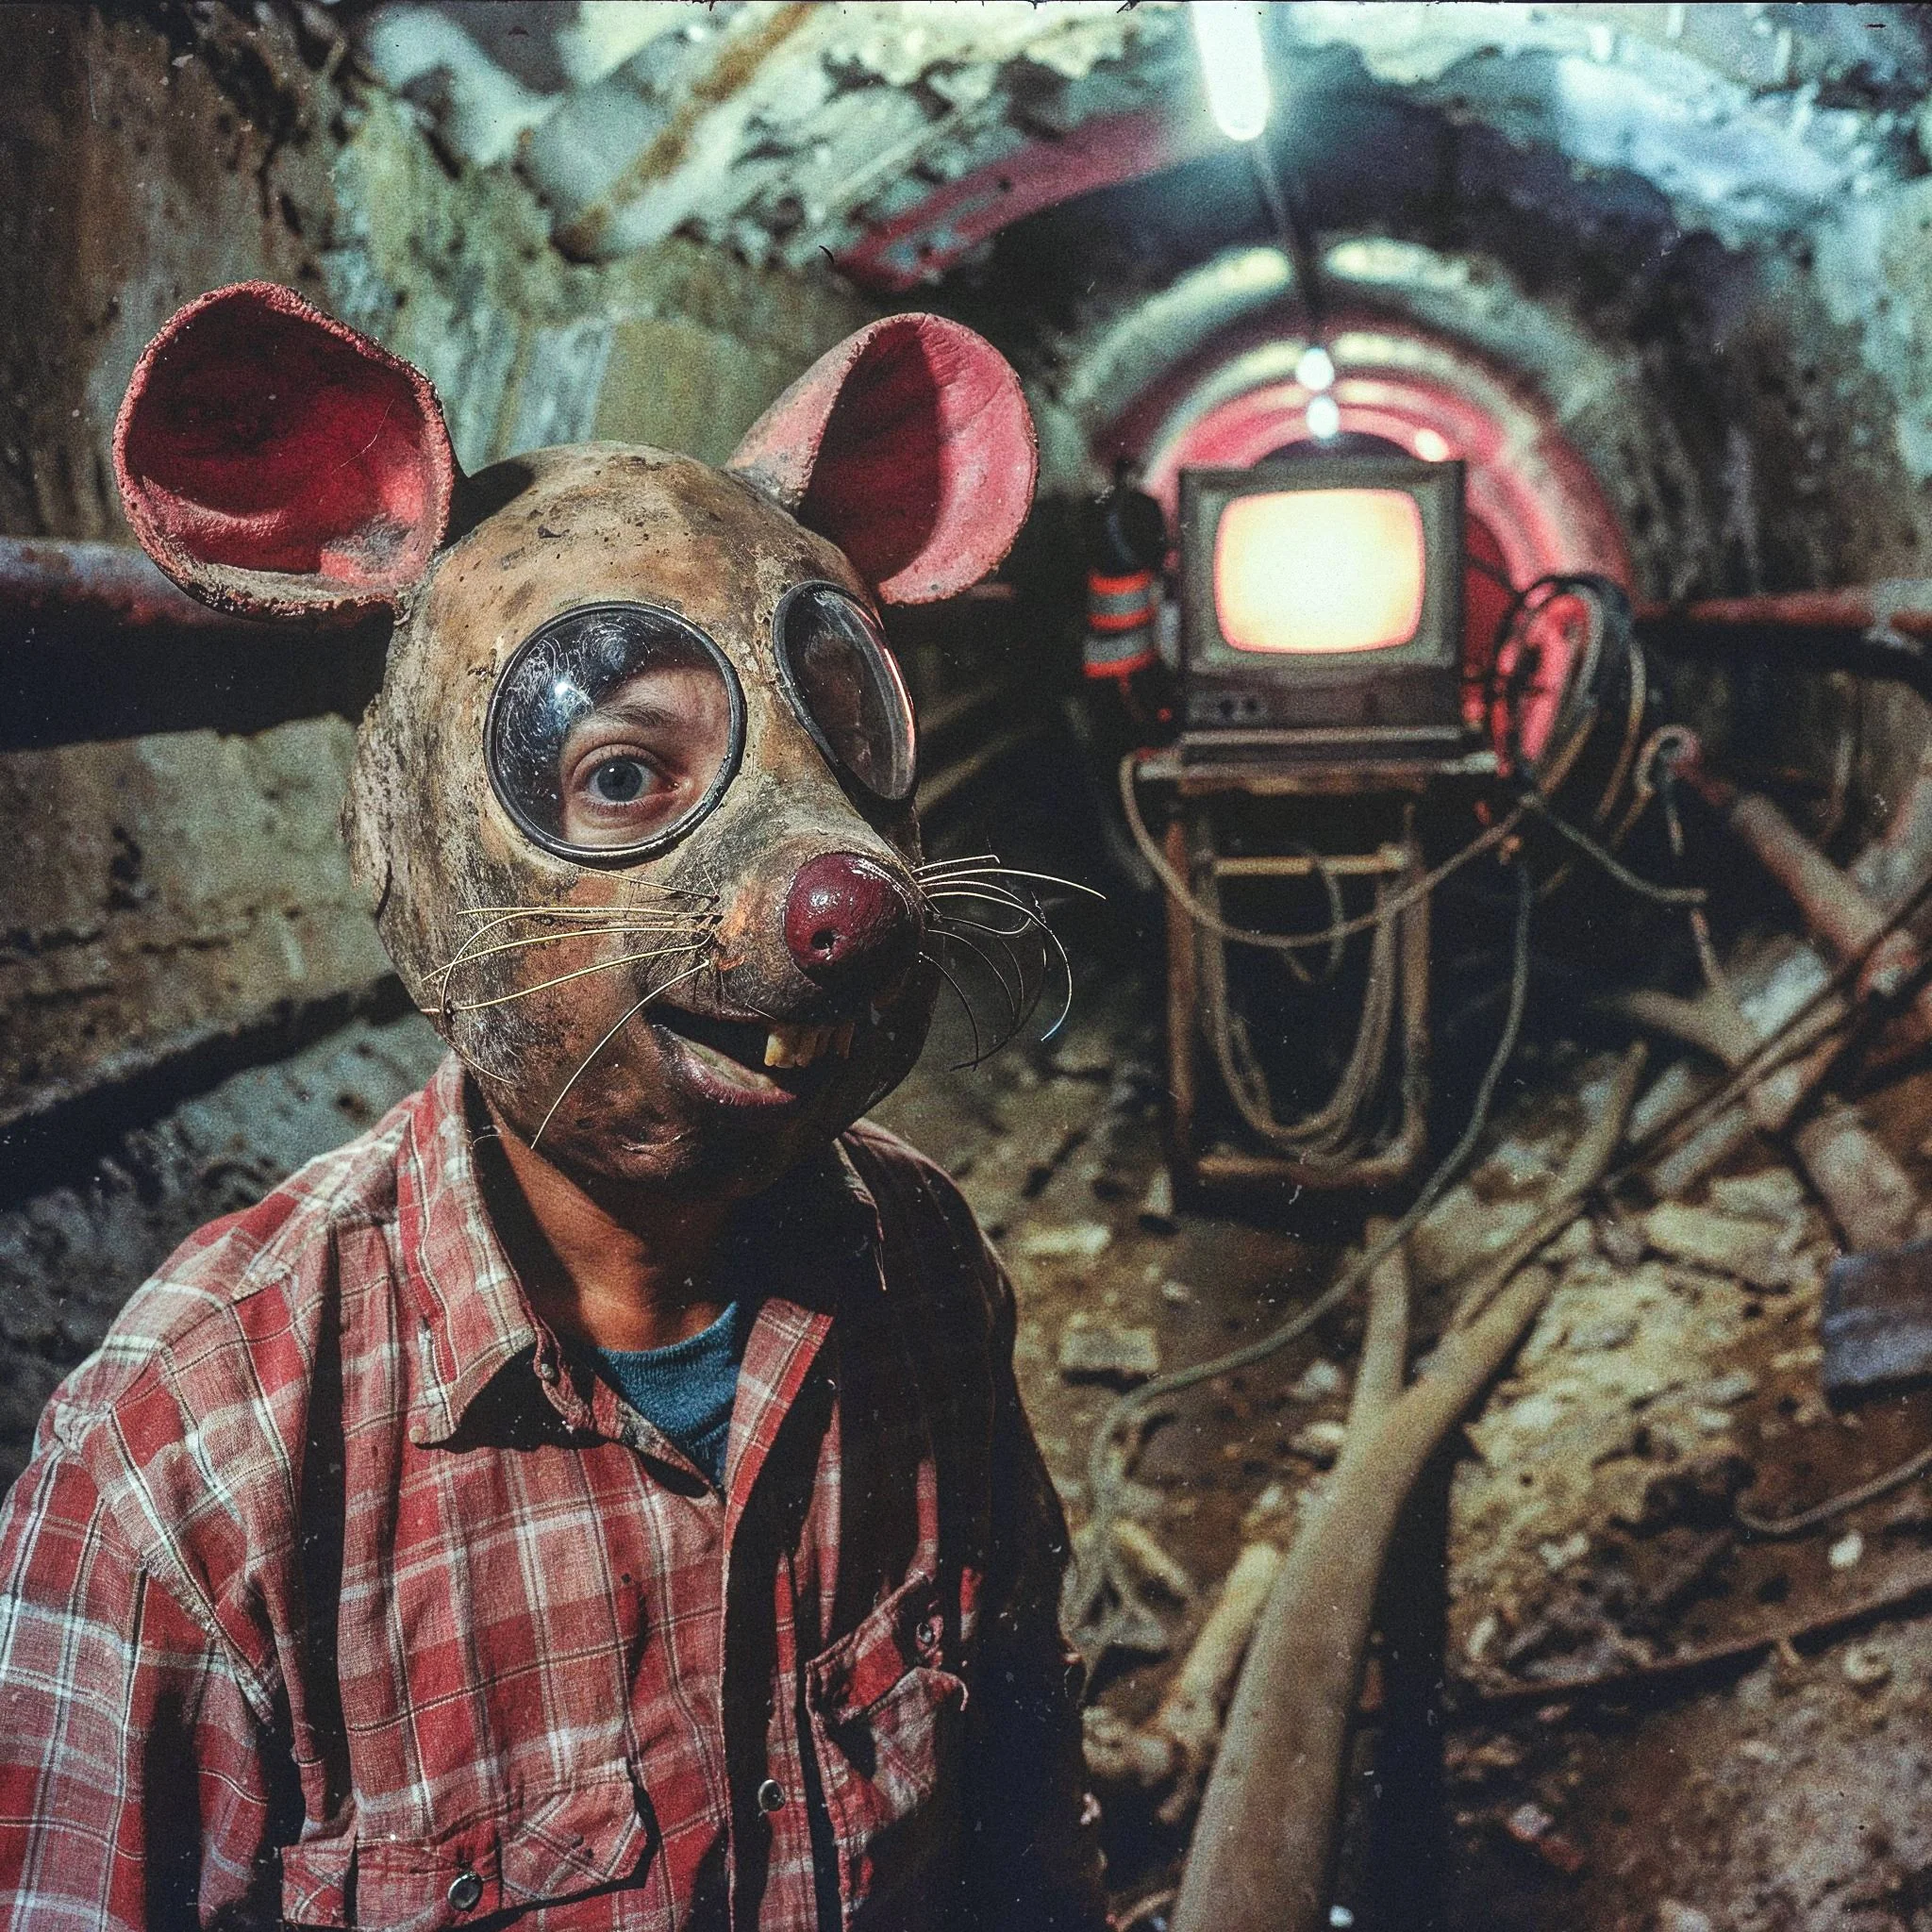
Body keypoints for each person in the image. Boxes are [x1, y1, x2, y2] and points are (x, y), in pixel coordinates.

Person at [0, 285, 1107, 1930]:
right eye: (620, 775)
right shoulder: (192, 1477)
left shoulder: (923, 1269)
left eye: (836, 736)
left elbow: (1027, 1810)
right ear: (410, 843)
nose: (842, 889)